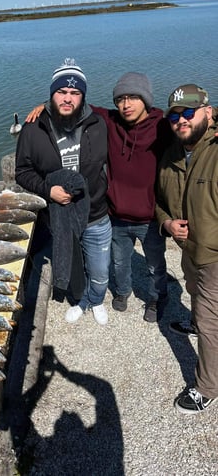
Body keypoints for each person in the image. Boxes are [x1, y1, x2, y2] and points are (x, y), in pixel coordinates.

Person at [26, 72, 169, 323]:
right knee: (120, 263)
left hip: (150, 217)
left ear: (146, 100)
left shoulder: (163, 126)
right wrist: (45, 106)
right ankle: (123, 293)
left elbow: (190, 124)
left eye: (133, 98)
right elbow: (72, 102)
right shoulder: (109, 120)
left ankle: (157, 298)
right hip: (116, 215)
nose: (126, 105)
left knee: (155, 265)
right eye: (121, 99)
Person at [15, 58, 111, 325]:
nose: (67, 98)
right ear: (51, 93)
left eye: (75, 92)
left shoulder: (100, 123)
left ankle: (97, 299)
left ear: (83, 96)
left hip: (95, 213)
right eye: (61, 91)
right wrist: (48, 189)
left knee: (100, 269)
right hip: (59, 215)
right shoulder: (33, 129)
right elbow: (22, 172)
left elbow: (137, 117)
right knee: (72, 265)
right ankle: (81, 301)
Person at [156, 83, 218, 414]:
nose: (181, 120)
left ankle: (207, 387)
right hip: (188, 250)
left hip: (215, 256)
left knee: (211, 323)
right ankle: (194, 321)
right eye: (175, 115)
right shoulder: (171, 155)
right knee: (192, 291)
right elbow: (160, 201)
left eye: (188, 113)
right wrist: (166, 223)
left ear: (208, 112)